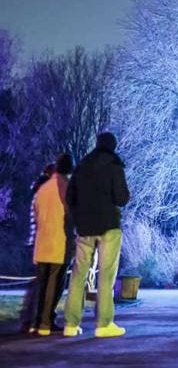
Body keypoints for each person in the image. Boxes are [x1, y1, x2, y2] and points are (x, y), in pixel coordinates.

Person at [63, 132, 130, 338]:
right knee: (106, 275)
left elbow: (70, 197)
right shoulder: (114, 165)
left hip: (85, 227)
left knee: (78, 274)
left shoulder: (82, 166)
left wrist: (78, 217)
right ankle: (103, 323)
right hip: (108, 225)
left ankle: (71, 323)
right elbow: (122, 198)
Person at [29, 157, 73, 336]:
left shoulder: (42, 189)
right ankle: (46, 323)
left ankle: (36, 322)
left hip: (42, 243)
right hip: (58, 243)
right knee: (54, 286)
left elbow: (36, 213)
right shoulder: (66, 187)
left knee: (41, 285)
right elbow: (71, 214)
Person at [19, 163, 55, 334]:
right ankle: (34, 320)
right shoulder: (44, 192)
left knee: (38, 283)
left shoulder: (37, 191)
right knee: (41, 283)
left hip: (35, 242)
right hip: (41, 242)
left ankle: (31, 319)